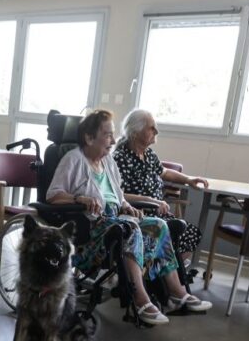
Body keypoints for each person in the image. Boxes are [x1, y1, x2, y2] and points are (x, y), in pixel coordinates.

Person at [46, 109, 212, 325]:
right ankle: (140, 300)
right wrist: (79, 199)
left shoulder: (108, 163)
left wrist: (126, 206)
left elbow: (118, 195)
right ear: (89, 137)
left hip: (116, 224)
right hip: (91, 232)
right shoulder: (73, 160)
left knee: (159, 225)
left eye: (113, 134)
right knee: (131, 229)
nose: (113, 140)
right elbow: (52, 196)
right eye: (107, 135)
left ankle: (175, 293)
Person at [113, 109, 209, 264]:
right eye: (151, 128)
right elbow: (118, 193)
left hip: (157, 213)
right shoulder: (120, 158)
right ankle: (157, 273)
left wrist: (188, 179)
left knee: (192, 233)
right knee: (173, 234)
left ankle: (162, 273)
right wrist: (151, 200)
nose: (156, 131)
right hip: (137, 214)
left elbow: (164, 172)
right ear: (136, 132)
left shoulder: (148, 154)